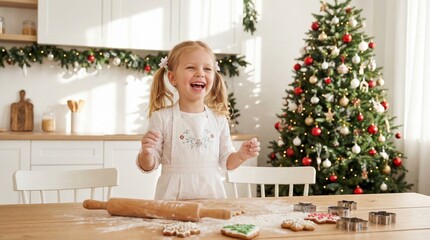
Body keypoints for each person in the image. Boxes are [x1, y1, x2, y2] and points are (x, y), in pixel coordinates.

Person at [137, 41, 260, 200]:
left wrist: (242, 155)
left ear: (214, 77)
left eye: (207, 69)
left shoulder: (218, 119)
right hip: (171, 201)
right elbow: (148, 165)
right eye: (191, 67)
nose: (200, 73)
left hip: (212, 199)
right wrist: (146, 152)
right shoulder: (162, 118)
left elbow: (227, 162)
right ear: (172, 78)